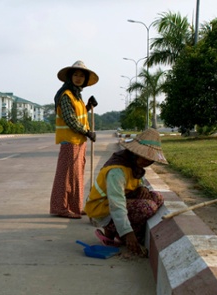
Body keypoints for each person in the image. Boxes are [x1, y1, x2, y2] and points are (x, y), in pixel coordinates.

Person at [84, 128, 168, 256]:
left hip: (119, 201)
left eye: (150, 159)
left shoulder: (134, 166)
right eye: (144, 157)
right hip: (103, 209)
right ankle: (114, 231)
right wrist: (128, 233)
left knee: (157, 197)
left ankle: (118, 231)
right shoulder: (117, 171)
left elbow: (133, 183)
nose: (146, 162)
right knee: (147, 207)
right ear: (135, 153)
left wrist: (142, 188)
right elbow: (116, 204)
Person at [50, 60, 99, 219]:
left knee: (77, 175)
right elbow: (70, 119)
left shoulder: (77, 96)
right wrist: (87, 132)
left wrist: (88, 106)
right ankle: (61, 208)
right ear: (70, 77)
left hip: (79, 141)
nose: (78, 78)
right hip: (69, 141)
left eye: (81, 76)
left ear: (85, 80)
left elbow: (78, 115)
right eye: (75, 75)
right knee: (66, 176)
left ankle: (75, 207)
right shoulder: (66, 95)